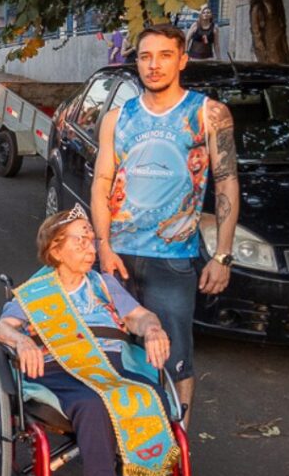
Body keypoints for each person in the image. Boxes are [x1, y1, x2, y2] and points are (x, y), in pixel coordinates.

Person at [0, 206, 182, 476]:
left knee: (147, 395)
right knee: (92, 404)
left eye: (91, 240)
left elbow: (140, 317)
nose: (90, 247)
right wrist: (21, 341)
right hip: (62, 369)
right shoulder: (35, 291)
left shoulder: (104, 284)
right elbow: (3, 327)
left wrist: (153, 330)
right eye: (79, 240)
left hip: (113, 364)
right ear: (55, 249)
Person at [92, 23, 239, 419]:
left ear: (183, 60)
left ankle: (176, 454)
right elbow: (103, 181)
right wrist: (103, 245)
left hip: (173, 260)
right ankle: (128, 439)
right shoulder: (118, 118)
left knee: (174, 359)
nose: (153, 65)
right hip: (117, 256)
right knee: (114, 354)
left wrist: (222, 256)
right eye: (145, 56)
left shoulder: (209, 114)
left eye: (164, 55)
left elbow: (226, 182)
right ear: (135, 62)